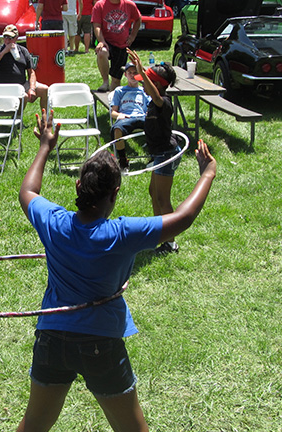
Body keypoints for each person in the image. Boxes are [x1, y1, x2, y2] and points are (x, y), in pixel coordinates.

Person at [16, 109, 217, 432]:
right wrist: (206, 173)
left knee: (35, 425)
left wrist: (44, 148)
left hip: (52, 338)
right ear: (115, 193)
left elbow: (28, 192)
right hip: (101, 342)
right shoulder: (122, 234)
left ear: (79, 185)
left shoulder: (54, 222)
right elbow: (183, 218)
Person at [127, 49, 182, 255]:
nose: (142, 83)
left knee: (162, 198)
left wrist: (141, 68)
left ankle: (170, 242)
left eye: (147, 81)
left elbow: (157, 97)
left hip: (166, 153)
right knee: (153, 193)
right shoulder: (153, 103)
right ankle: (160, 235)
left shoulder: (164, 103)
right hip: (158, 154)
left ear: (157, 85)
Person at [0, 25, 49, 111]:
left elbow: (31, 72)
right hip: (3, 88)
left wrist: (32, 88)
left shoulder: (23, 51)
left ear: (16, 38)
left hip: (21, 85)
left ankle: (44, 118)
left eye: (10, 38)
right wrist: (4, 52)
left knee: (44, 89)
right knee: (24, 96)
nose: (7, 40)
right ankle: (18, 120)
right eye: (5, 37)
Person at [91, 0, 141, 92]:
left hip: (122, 45)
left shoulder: (129, 5)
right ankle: (105, 82)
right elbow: (96, 26)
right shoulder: (100, 5)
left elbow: (138, 19)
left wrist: (132, 36)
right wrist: (101, 41)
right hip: (107, 41)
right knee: (102, 52)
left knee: (116, 81)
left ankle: (112, 100)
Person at [110, 62, 151, 170]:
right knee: (117, 129)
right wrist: (120, 115)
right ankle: (123, 160)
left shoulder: (144, 90)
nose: (132, 75)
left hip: (141, 116)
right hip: (126, 117)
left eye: (135, 73)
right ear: (125, 75)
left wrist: (149, 114)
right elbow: (113, 113)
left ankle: (154, 156)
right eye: (130, 73)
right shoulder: (120, 91)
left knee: (156, 125)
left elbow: (151, 107)